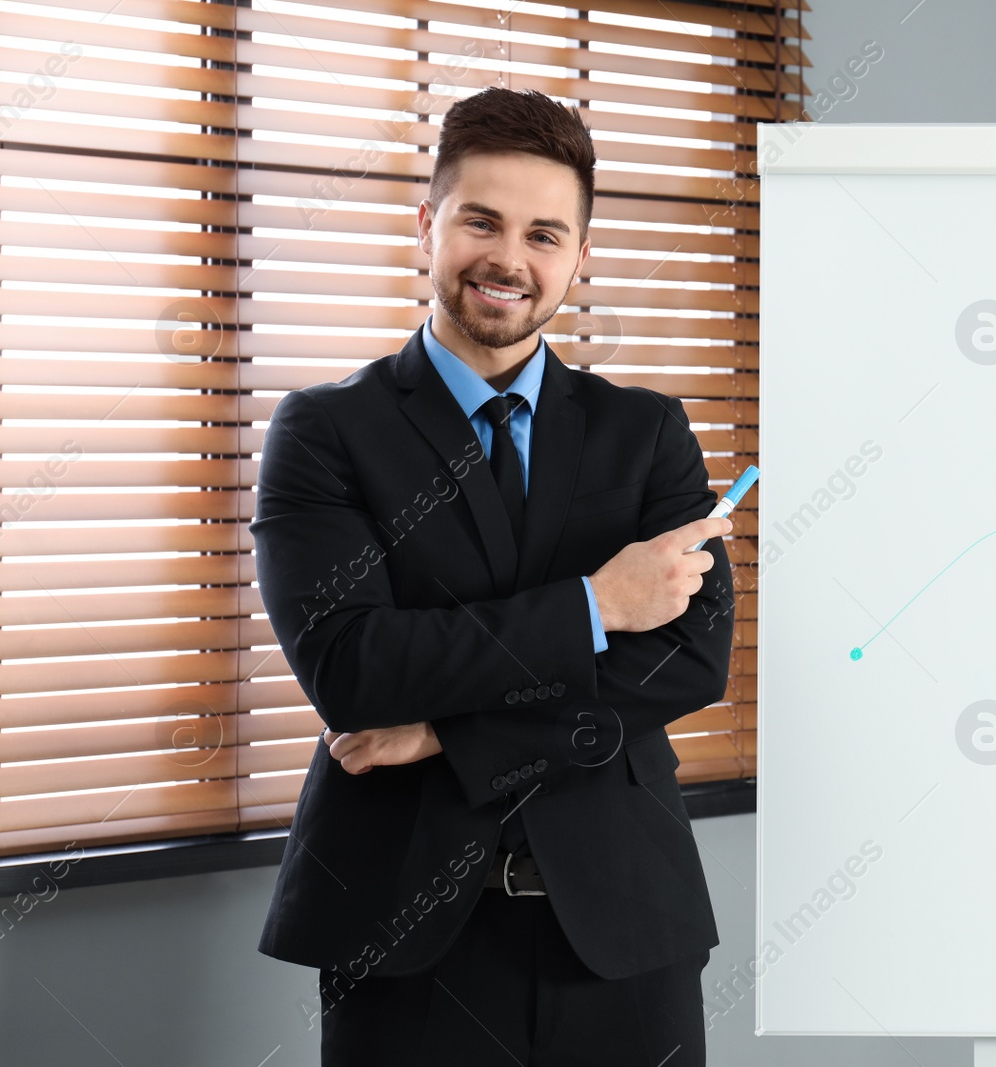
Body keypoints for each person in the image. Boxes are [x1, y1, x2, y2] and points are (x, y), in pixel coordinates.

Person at [250, 86, 736, 1066]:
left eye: (544, 233)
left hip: (624, 931)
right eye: (482, 220)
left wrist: (443, 728)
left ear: (580, 257)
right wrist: (597, 603)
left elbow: (687, 660)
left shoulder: (646, 433)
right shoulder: (325, 432)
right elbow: (352, 666)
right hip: (407, 934)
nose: (509, 259)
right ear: (428, 224)